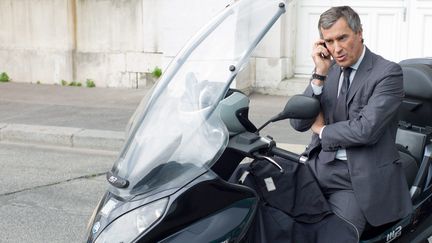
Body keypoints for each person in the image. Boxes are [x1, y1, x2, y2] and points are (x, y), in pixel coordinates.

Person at [290, 6, 412, 241]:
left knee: (334, 237)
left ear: (359, 33)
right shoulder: (328, 70)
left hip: (355, 180)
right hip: (316, 169)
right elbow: (298, 122)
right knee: (269, 214)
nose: (336, 49)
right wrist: (319, 74)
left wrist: (322, 130)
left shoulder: (387, 73)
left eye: (342, 37)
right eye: (329, 41)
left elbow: (365, 130)